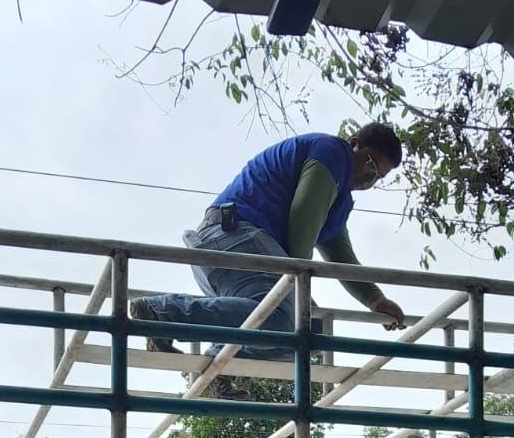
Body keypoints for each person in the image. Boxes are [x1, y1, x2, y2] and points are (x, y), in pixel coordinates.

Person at [131, 124, 407, 398]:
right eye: (370, 163)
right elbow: (304, 217)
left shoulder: (340, 201)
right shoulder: (332, 152)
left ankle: (222, 360)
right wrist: (296, 282)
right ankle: (163, 311)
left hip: (240, 254)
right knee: (287, 320)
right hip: (234, 235)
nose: (368, 177)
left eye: (377, 176)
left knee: (313, 331)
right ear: (353, 143)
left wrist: (375, 299)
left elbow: (341, 256)